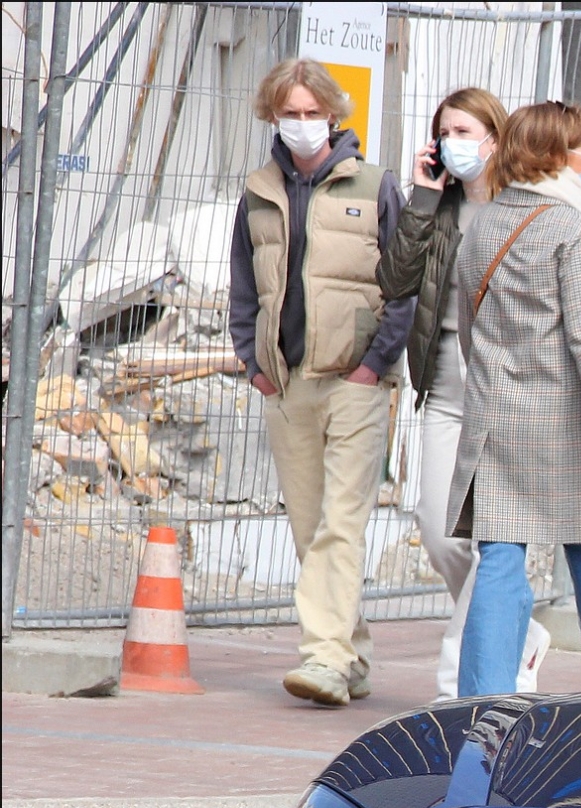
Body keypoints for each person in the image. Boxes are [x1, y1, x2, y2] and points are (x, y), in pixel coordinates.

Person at [228, 59, 413, 708]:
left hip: (356, 382)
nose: (302, 125)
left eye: (313, 113)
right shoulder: (258, 191)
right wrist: (253, 363)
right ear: (272, 116)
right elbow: (244, 284)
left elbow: (406, 281)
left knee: (341, 521)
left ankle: (325, 660)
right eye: (290, 113)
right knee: (310, 529)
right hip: (287, 383)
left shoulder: (375, 184)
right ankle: (353, 655)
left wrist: (376, 362)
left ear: (334, 116)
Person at [448, 101, 581, 698]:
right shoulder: (572, 227)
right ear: (557, 154)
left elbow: (467, 323)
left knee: (500, 561)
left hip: (497, 419)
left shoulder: (483, 221)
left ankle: (479, 704)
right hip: (565, 426)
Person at [374, 86, 547, 700]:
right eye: (445, 132)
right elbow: (393, 279)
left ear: (496, 139)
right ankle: (515, 636)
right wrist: (423, 195)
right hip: (444, 388)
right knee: (439, 529)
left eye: (466, 132)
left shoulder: (521, 208)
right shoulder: (438, 208)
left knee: (492, 535)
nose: (454, 143)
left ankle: (460, 675)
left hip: (502, 393)